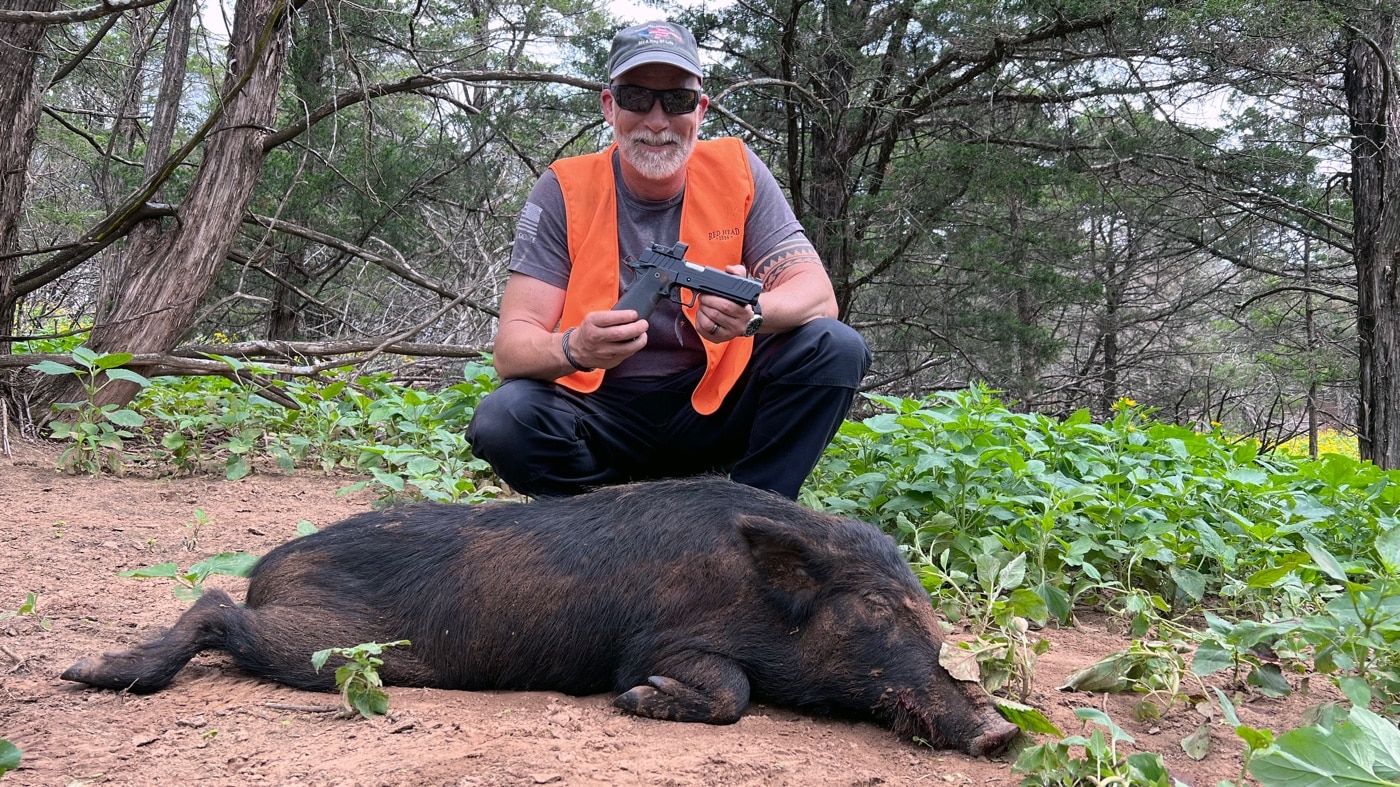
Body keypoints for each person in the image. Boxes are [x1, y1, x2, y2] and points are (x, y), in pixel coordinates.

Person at [466, 19, 871, 500]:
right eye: (636, 98)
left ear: (700, 109)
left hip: (712, 406)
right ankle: (593, 527)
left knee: (835, 346)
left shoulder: (738, 170)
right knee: (504, 418)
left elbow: (818, 296)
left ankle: (754, 516)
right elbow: (512, 349)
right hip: (600, 411)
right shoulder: (564, 189)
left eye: (676, 101)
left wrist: (753, 315)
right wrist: (575, 348)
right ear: (609, 106)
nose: (656, 121)